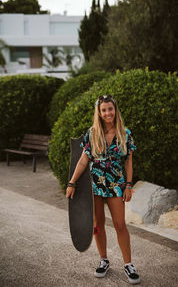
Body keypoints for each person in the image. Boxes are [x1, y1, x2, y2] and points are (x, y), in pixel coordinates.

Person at [66, 95, 141, 285]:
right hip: (96, 185)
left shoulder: (125, 133)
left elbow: (129, 162)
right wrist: (72, 182)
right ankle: (104, 260)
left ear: (115, 110)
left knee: (120, 225)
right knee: (98, 224)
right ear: (99, 113)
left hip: (116, 184)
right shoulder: (92, 134)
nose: (108, 113)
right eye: (104, 110)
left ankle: (128, 264)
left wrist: (129, 185)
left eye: (110, 109)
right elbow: (84, 160)